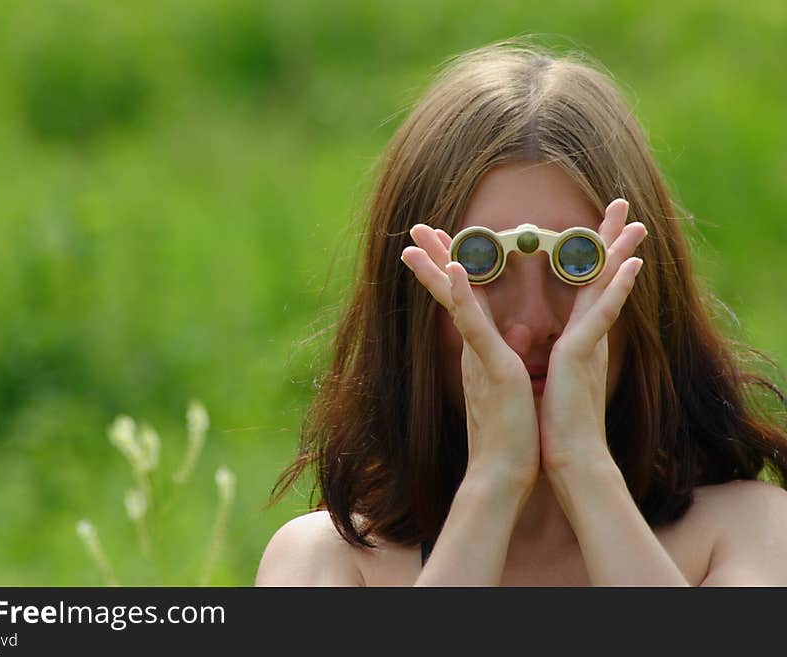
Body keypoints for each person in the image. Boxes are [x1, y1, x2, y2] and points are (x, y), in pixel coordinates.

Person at [255, 41, 787, 586]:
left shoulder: (752, 531)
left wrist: (584, 468)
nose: (532, 325)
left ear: (646, 294)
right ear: (409, 305)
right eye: (480, 266)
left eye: (576, 264)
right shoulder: (327, 561)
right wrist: (493, 484)